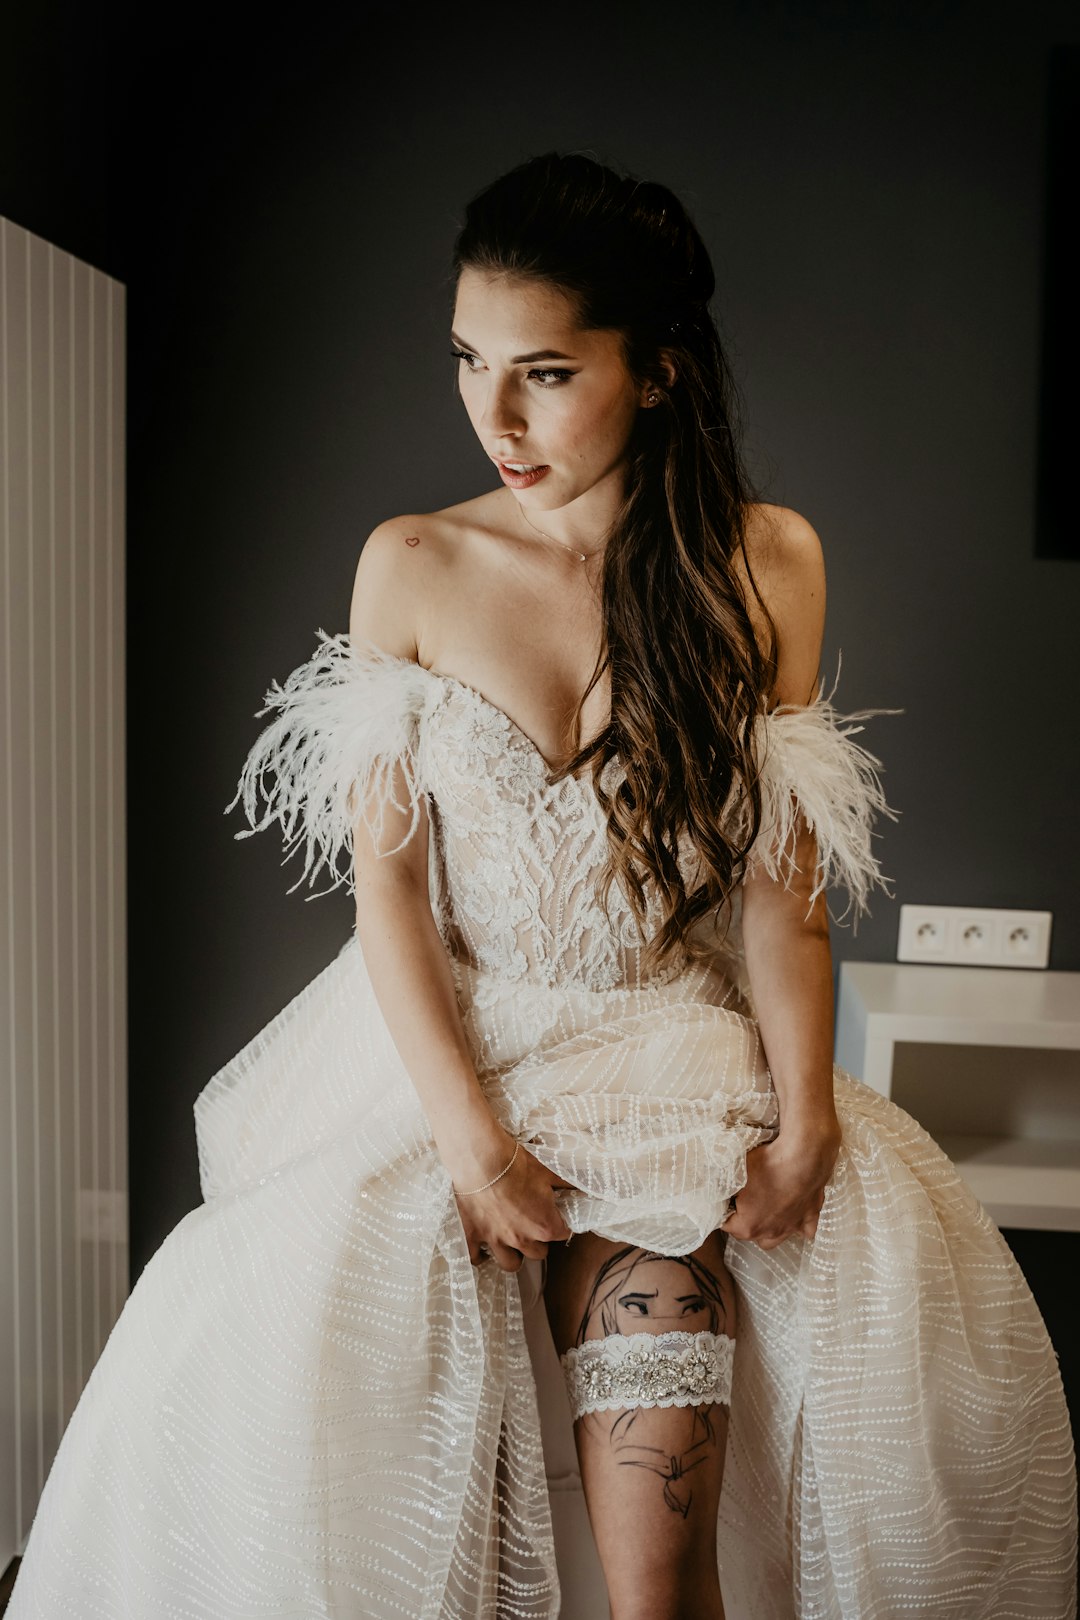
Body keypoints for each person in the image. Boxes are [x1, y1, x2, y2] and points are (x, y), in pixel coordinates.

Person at [7, 152, 1076, 1620]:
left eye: (546, 372)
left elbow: (783, 888)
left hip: (666, 1068)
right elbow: (388, 894)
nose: (493, 414)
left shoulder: (768, 565)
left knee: (666, 1544)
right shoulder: (415, 562)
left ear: (659, 373)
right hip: (451, 1060)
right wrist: (469, 1136)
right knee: (366, 1506)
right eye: (467, 362)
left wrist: (810, 1114)